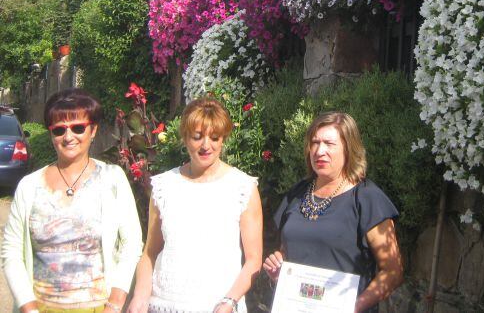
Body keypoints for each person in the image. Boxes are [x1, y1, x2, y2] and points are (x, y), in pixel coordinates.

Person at [1, 88, 143, 313]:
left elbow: (132, 243)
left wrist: (115, 304)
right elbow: (11, 252)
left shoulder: (112, 179)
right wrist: (28, 308)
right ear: (51, 134)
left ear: (93, 130)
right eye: (59, 130)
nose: (68, 137)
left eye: (78, 128)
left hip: (99, 308)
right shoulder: (29, 187)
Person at [127, 97, 262, 313]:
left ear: (223, 140)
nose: (206, 145)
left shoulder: (243, 187)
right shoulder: (163, 186)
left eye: (214, 138)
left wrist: (229, 301)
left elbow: (254, 260)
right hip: (164, 305)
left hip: (219, 307)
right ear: (185, 138)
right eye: (197, 137)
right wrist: (140, 297)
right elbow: (150, 252)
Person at [263, 112, 403, 313]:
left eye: (329, 143)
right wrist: (279, 269)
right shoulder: (297, 194)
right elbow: (289, 251)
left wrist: (352, 308)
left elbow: (393, 272)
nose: (320, 151)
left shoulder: (367, 198)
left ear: (348, 148)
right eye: (315, 142)